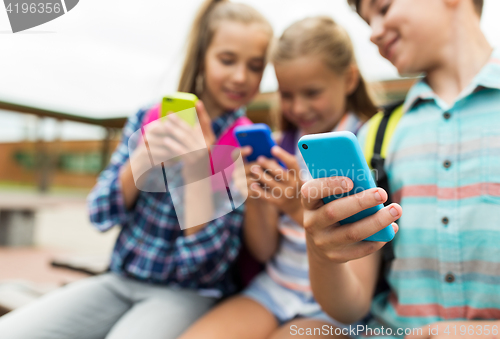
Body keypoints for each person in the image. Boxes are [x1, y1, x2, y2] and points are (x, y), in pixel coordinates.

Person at [0, 1, 273, 338]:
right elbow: (100, 213)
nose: (240, 77)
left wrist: (199, 169)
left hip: (187, 295)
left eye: (256, 66)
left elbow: (204, 266)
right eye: (227, 60)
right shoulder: (149, 117)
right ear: (203, 55)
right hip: (119, 281)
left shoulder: (241, 146)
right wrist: (140, 159)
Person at [302, 0, 500, 338]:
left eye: (383, 8)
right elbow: (351, 307)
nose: (374, 33)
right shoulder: (374, 137)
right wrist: (321, 254)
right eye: (367, 22)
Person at [179, 16, 378, 339]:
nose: (298, 107)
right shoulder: (280, 145)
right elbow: (263, 251)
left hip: (332, 307)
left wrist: (294, 207)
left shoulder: (368, 144)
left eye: (312, 92)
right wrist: (259, 197)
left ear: (349, 79)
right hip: (272, 289)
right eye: (287, 94)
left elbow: (358, 253)